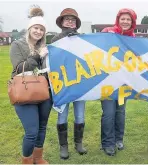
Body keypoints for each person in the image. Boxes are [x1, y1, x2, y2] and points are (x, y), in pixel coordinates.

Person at [9, 6, 52, 164]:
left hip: (44, 91)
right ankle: (26, 161)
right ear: (29, 28)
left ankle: (38, 158)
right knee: (32, 131)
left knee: (42, 127)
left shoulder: (45, 47)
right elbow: (19, 67)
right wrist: (36, 55)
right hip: (24, 90)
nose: (38, 31)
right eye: (36, 28)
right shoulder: (17, 45)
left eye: (41, 29)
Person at [100, 8, 137, 156]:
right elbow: (96, 47)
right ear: (118, 19)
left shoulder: (134, 38)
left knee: (120, 112)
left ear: (132, 22)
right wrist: (104, 37)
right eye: (123, 19)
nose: (125, 22)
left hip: (124, 83)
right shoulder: (108, 31)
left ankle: (118, 139)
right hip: (107, 82)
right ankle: (107, 143)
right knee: (108, 113)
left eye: (128, 19)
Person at [51, 8, 87, 159]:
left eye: (73, 19)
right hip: (63, 84)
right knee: (62, 117)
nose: (70, 21)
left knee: (80, 116)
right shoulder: (54, 39)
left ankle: (78, 143)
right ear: (62, 22)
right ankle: (63, 146)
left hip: (79, 83)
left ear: (76, 23)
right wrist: (65, 37)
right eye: (67, 19)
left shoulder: (83, 39)